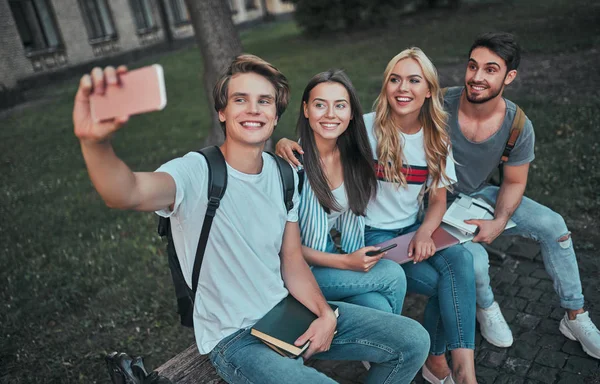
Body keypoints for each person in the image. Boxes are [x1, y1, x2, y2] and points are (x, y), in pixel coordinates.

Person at [72, 54, 430, 383]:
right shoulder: (198, 171)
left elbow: (291, 260)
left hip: (288, 313)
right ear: (222, 112)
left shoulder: (283, 174)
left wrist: (324, 314)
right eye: (240, 99)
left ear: (276, 115)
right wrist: (95, 144)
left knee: (413, 339)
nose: (253, 109)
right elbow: (127, 192)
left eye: (264, 101)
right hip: (236, 340)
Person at [277, 48, 478, 384]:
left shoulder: (436, 139)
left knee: (461, 263)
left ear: (429, 89)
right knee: (407, 282)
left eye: (414, 80)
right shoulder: (363, 130)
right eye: (395, 79)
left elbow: (438, 200)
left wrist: (427, 232)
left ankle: (455, 367)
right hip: (369, 238)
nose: (403, 88)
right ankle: (396, 347)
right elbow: (318, 139)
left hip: (409, 231)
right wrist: (283, 142)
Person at [443, 31, 600, 359]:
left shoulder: (517, 124)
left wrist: (500, 220)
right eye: (473, 67)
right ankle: (485, 307)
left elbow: (514, 182)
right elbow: (380, 125)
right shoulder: (439, 104)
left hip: (481, 194)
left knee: (554, 225)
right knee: (474, 259)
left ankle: (575, 316)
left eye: (490, 69)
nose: (477, 77)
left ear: (509, 76)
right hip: (433, 201)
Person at [295, 69, 407, 315]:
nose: (330, 114)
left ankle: (382, 348)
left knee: (379, 308)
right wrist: (346, 262)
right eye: (320, 105)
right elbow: (285, 249)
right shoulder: (293, 166)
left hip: (330, 255)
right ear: (306, 110)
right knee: (393, 275)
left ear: (352, 113)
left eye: (340, 106)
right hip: (299, 272)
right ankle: (394, 344)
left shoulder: (351, 158)